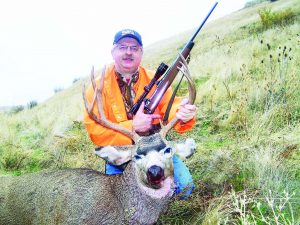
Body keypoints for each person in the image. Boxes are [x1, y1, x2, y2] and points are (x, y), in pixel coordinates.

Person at [83, 29, 197, 197]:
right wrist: (132, 126)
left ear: (141, 53)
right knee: (119, 200)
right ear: (113, 51)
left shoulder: (156, 80)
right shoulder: (96, 89)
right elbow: (96, 133)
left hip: (156, 149)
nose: (129, 52)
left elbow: (170, 107)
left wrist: (182, 114)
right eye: (123, 47)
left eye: (134, 48)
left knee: (185, 187)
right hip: (122, 154)